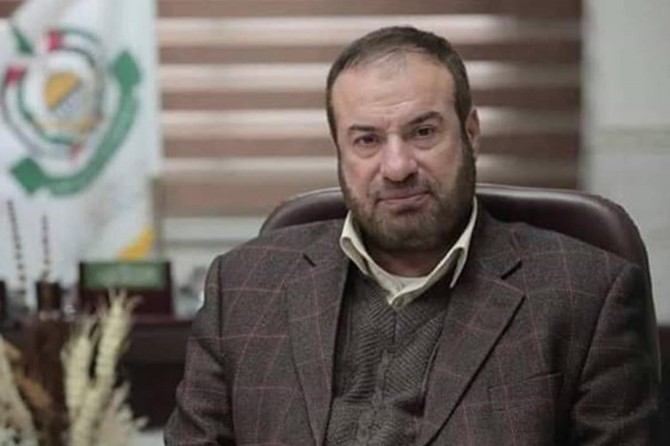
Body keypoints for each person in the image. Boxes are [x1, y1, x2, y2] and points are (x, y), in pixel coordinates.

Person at [164, 26, 660, 445]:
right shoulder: (243, 287)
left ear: (470, 133)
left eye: (423, 132)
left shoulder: (586, 295)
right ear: (339, 151)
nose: (397, 166)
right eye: (367, 140)